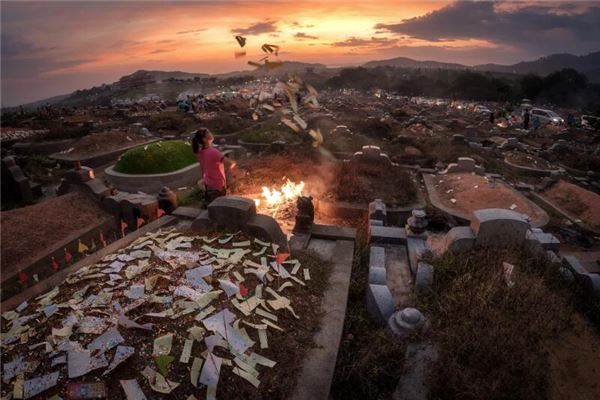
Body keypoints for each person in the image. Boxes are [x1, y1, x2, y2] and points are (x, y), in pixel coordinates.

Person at [192, 128, 235, 206]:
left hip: (208, 186)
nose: (211, 133)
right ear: (204, 139)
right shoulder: (213, 152)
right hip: (218, 187)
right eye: (208, 132)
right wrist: (233, 163)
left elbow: (205, 169)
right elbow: (229, 163)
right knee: (221, 208)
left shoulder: (200, 153)